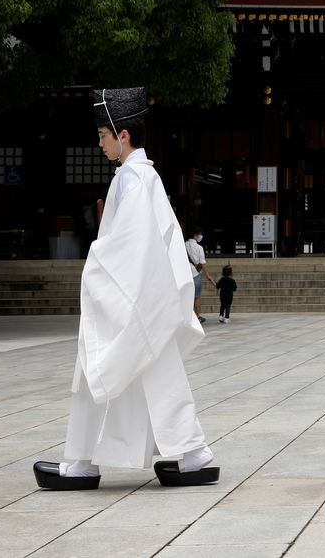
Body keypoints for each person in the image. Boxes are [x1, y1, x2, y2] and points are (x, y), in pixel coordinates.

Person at [34, 88, 218, 490]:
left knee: (103, 364)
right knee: (156, 373)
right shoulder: (138, 176)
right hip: (143, 294)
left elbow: (130, 243)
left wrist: (99, 269)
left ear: (123, 135)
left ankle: (86, 462)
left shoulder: (135, 178)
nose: (99, 143)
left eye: (102, 134)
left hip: (134, 293)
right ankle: (192, 454)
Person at [185, 228, 218, 323]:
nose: (200, 237)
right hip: (195, 274)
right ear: (196, 235)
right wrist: (208, 275)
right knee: (197, 297)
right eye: (200, 235)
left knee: (187, 296)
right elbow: (203, 263)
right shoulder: (199, 248)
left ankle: (188, 316)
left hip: (185, 274)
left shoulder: (183, 245)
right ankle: (197, 316)